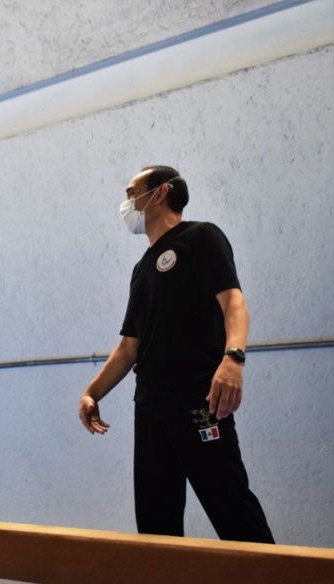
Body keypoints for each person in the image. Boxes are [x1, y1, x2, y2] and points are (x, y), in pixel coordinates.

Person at [78, 165, 273, 543]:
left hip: (199, 401)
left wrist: (233, 358)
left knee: (233, 510)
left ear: (161, 192)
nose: (126, 203)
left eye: (131, 191)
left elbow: (233, 300)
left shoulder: (201, 237)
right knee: (155, 524)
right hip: (150, 409)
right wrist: (92, 393)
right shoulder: (141, 269)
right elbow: (130, 345)